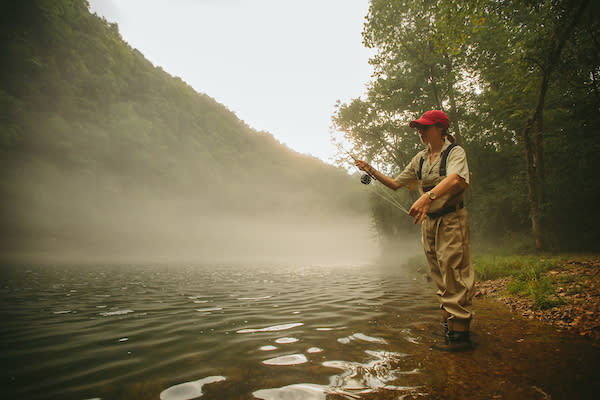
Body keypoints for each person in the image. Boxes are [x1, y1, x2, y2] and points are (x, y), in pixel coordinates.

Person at [355, 110, 474, 346]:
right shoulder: (419, 158)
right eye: (418, 128)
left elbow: (455, 179)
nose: (419, 131)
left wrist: (427, 197)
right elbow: (396, 184)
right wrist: (371, 170)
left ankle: (460, 333)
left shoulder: (455, 152)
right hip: (428, 223)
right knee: (438, 273)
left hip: (452, 219)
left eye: (425, 127)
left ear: (440, 128)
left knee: (454, 271)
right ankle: (449, 324)